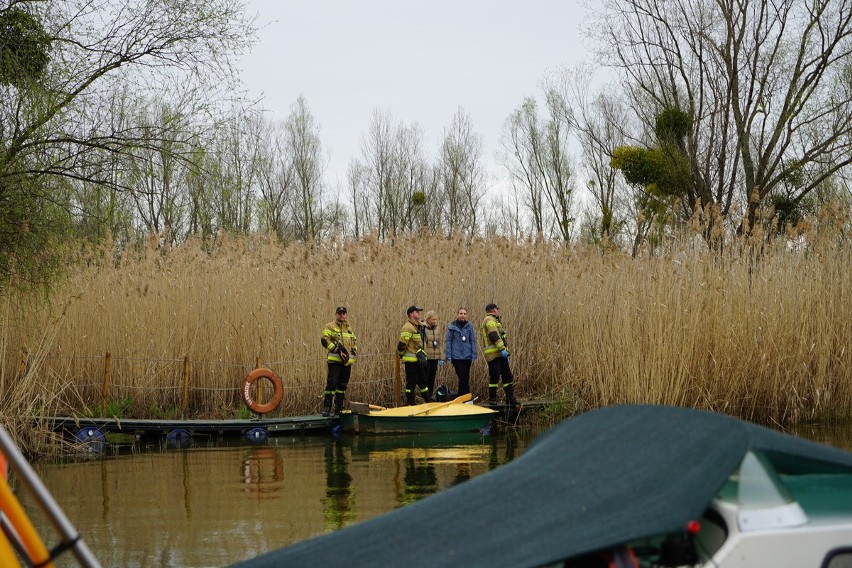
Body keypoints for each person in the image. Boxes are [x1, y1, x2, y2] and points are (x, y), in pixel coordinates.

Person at [320, 306, 358, 417]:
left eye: (343, 313)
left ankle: (339, 408)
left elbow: (354, 342)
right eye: (339, 313)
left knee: (342, 386)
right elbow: (324, 340)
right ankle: (327, 408)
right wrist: (335, 349)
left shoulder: (349, 329)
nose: (342, 315)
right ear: (336, 314)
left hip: (347, 363)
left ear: (346, 315)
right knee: (332, 384)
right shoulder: (330, 326)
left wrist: (354, 352)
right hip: (335, 361)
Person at [481, 303, 518, 406]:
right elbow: (493, 336)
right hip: (493, 354)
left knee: (507, 376)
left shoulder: (495, 321)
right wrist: (502, 349)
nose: (498, 311)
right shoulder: (489, 320)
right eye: (497, 309)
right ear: (493, 310)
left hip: (501, 354)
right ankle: (492, 399)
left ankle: (510, 398)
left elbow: (502, 337)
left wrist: (505, 351)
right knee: (495, 376)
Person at [397, 305, 431, 405]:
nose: (419, 314)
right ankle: (410, 403)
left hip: (418, 361)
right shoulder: (408, 327)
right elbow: (402, 344)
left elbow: (418, 344)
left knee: (423, 383)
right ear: (411, 314)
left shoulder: (416, 326)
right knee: (411, 383)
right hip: (411, 362)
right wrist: (401, 355)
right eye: (417, 312)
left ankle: (428, 401)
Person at [445, 306, 476, 396]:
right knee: (462, 376)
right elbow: (449, 341)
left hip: (467, 356)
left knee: (465, 378)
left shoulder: (469, 327)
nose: (463, 315)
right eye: (461, 313)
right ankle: (467, 395)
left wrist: (473, 354)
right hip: (456, 356)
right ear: (457, 315)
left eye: (464, 314)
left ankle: (461, 396)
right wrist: (449, 355)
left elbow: (472, 341)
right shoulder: (452, 327)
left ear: (467, 315)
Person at [421, 310, 444, 398]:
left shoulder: (437, 328)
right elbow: (422, 343)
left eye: (436, 319)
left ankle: (430, 395)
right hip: (427, 357)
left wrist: (441, 357)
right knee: (425, 378)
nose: (434, 321)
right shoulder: (423, 328)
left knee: (432, 378)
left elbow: (439, 343)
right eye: (432, 319)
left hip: (435, 357)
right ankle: (425, 397)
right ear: (428, 319)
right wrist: (424, 356)